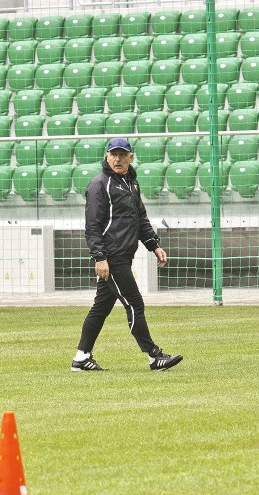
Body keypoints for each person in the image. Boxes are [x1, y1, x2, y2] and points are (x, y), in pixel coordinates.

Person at [71, 138, 183, 372]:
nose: (118, 159)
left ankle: (81, 358)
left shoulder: (131, 183)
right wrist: (99, 257)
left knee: (100, 308)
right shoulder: (99, 185)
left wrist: (154, 245)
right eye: (114, 154)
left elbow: (140, 218)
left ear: (131, 157)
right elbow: (92, 226)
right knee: (135, 303)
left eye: (123, 154)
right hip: (112, 258)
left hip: (122, 255)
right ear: (107, 156)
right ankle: (154, 356)